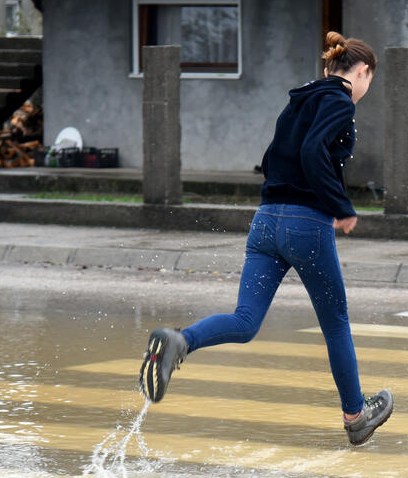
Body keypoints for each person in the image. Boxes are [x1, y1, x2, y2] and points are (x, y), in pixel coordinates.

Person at [139, 31, 393, 446]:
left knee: (245, 321)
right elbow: (313, 151)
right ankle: (356, 416)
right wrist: (340, 206)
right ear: (362, 71)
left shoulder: (299, 100)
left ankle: (181, 341)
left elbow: (273, 157)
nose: (366, 90)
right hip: (305, 226)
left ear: (328, 66)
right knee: (335, 324)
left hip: (266, 223)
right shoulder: (339, 101)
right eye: (370, 81)